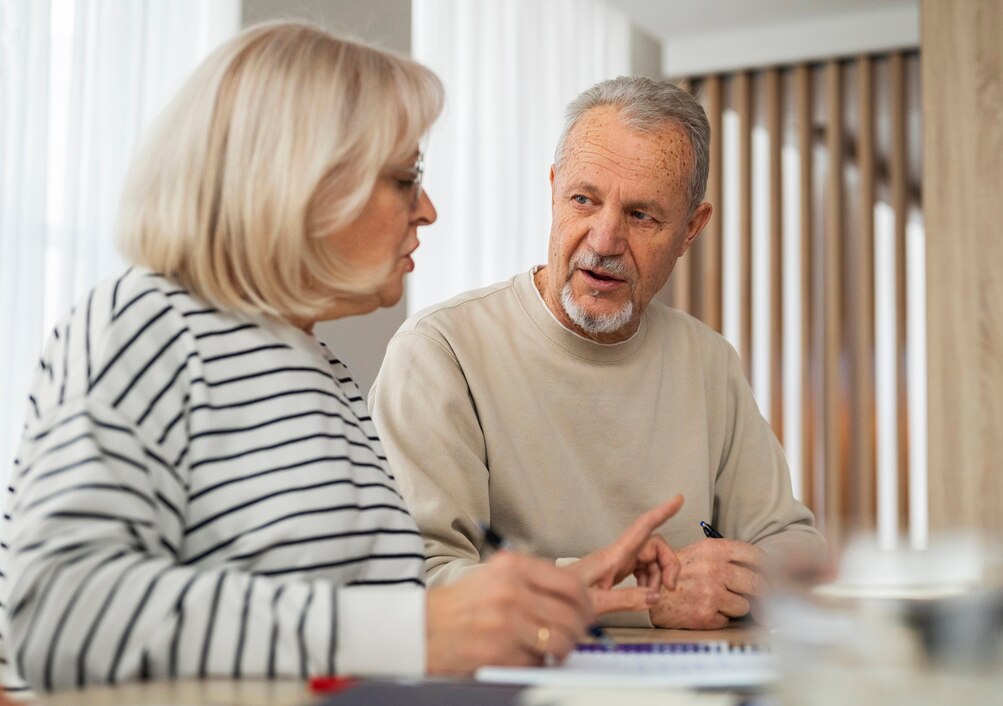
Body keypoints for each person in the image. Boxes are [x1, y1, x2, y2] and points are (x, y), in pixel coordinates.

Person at [0, 24, 684, 693]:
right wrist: (415, 630)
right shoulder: (144, 325)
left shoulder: (324, 373)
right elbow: (57, 613)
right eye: (405, 178)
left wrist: (547, 599)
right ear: (300, 182)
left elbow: (366, 618)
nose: (430, 210)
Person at [369, 76, 826, 630]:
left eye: (641, 215)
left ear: (690, 230)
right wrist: (649, 595)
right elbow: (419, 580)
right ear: (554, 190)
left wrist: (744, 578)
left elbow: (792, 547)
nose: (604, 239)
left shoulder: (708, 362)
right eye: (584, 200)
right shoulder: (439, 354)